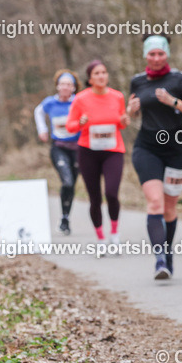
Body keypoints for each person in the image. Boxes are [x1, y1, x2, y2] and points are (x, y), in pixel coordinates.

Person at [128, 35, 182, 280]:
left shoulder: (179, 79)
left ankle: (168, 252)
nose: (156, 58)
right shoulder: (137, 81)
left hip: (176, 150)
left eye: (160, 53)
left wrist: (173, 101)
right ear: (145, 55)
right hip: (147, 147)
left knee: (170, 208)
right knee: (155, 203)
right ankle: (160, 259)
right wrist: (131, 111)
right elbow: (132, 114)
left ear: (167, 54)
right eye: (151, 54)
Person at [65, 60, 129, 249]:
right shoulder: (81, 99)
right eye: (97, 73)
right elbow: (70, 126)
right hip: (88, 152)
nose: (101, 76)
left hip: (113, 151)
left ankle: (114, 234)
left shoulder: (117, 97)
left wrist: (124, 120)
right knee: (95, 198)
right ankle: (100, 238)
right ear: (90, 79)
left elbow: (122, 123)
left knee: (111, 193)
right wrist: (80, 123)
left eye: (104, 72)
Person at [34, 70, 81, 235]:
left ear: (73, 87)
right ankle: (64, 217)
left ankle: (65, 218)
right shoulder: (50, 102)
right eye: (62, 84)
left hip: (77, 148)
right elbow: (38, 111)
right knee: (67, 181)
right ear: (57, 86)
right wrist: (42, 129)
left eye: (69, 84)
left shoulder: (79, 101)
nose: (65, 87)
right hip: (59, 147)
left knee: (72, 184)